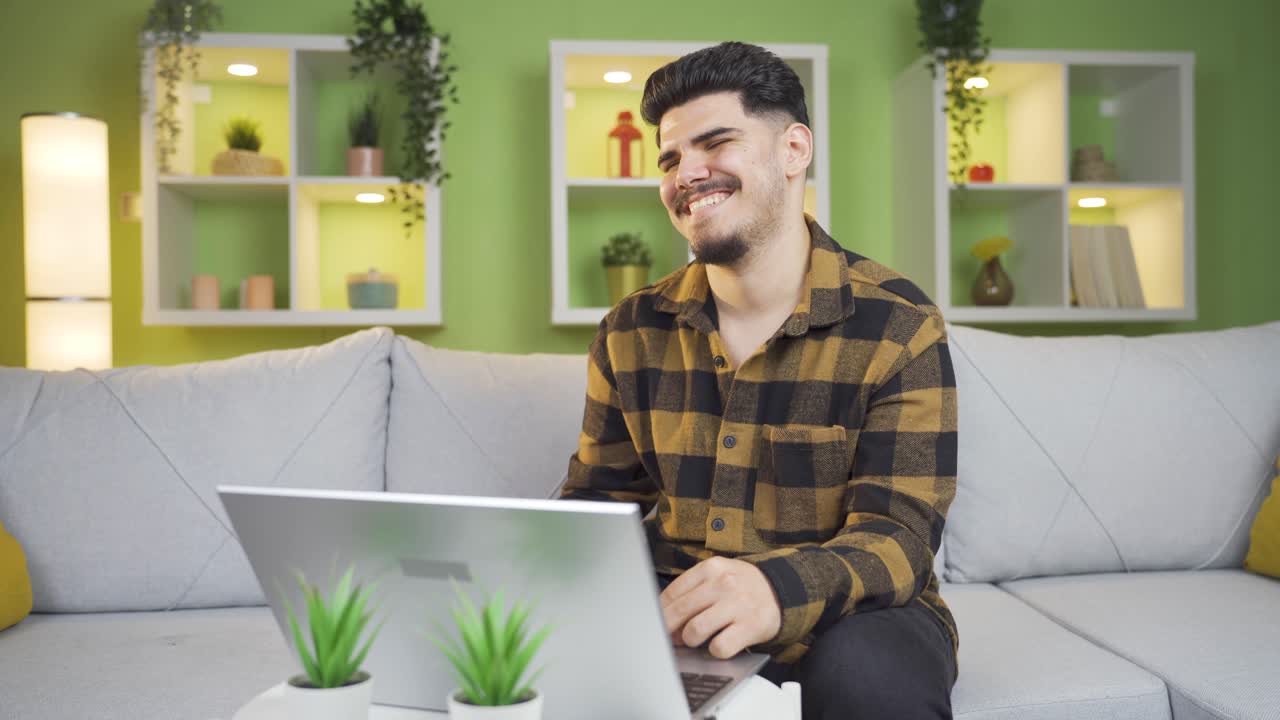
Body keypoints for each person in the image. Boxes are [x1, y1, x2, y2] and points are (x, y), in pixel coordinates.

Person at [560, 41, 958, 720]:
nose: (688, 173)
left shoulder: (899, 321)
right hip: (682, 613)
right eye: (672, 159)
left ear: (793, 149)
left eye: (716, 143)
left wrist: (771, 590)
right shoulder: (630, 329)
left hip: (854, 614)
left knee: (873, 680)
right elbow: (600, 503)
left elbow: (899, 536)